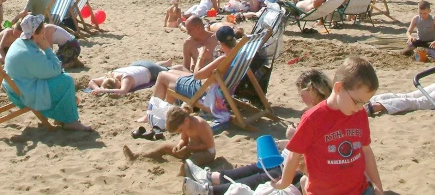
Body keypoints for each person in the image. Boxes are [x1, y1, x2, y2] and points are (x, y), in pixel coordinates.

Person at [183, 69, 333, 194]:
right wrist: (283, 144)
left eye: (302, 94)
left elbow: (320, 148)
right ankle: (211, 178)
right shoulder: (315, 111)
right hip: (295, 160)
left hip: (307, 170)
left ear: (312, 91)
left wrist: (293, 137)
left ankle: (209, 190)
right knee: (262, 166)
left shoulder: (323, 115)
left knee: (272, 174)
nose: (300, 98)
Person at [271, 56, 383, 195]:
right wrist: (284, 182)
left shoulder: (359, 115)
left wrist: (377, 185)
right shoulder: (313, 118)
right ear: (339, 88)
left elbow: (366, 150)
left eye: (364, 103)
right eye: (357, 101)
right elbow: (294, 155)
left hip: (359, 190)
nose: (361, 107)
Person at [4, 14, 91, 131]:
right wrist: (47, 49)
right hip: (25, 94)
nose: (45, 32)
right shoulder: (31, 53)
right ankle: (71, 121)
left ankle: (62, 117)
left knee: (62, 78)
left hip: (16, 88)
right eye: (43, 30)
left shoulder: (20, 43)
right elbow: (55, 70)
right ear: (36, 34)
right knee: (66, 81)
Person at [149, 25, 239, 104]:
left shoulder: (224, 58)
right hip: (222, 88)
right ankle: (166, 110)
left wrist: (201, 57)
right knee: (172, 71)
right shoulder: (238, 53)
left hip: (203, 90)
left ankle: (151, 111)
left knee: (162, 76)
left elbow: (197, 75)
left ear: (220, 42)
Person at [124, 105, 216, 166]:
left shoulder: (200, 125)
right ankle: (138, 156)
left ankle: (182, 175)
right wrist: (179, 146)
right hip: (191, 149)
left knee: (189, 162)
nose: (181, 131)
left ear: (186, 120)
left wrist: (189, 148)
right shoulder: (185, 125)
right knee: (164, 147)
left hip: (207, 153)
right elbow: (184, 139)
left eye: (180, 130)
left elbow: (208, 145)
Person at [88, 59, 173, 95]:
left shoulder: (126, 78)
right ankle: (165, 63)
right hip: (138, 64)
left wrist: (102, 90)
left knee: (169, 71)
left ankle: (167, 65)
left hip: (150, 70)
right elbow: (92, 81)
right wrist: (96, 89)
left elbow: (123, 91)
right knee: (156, 66)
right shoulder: (109, 76)